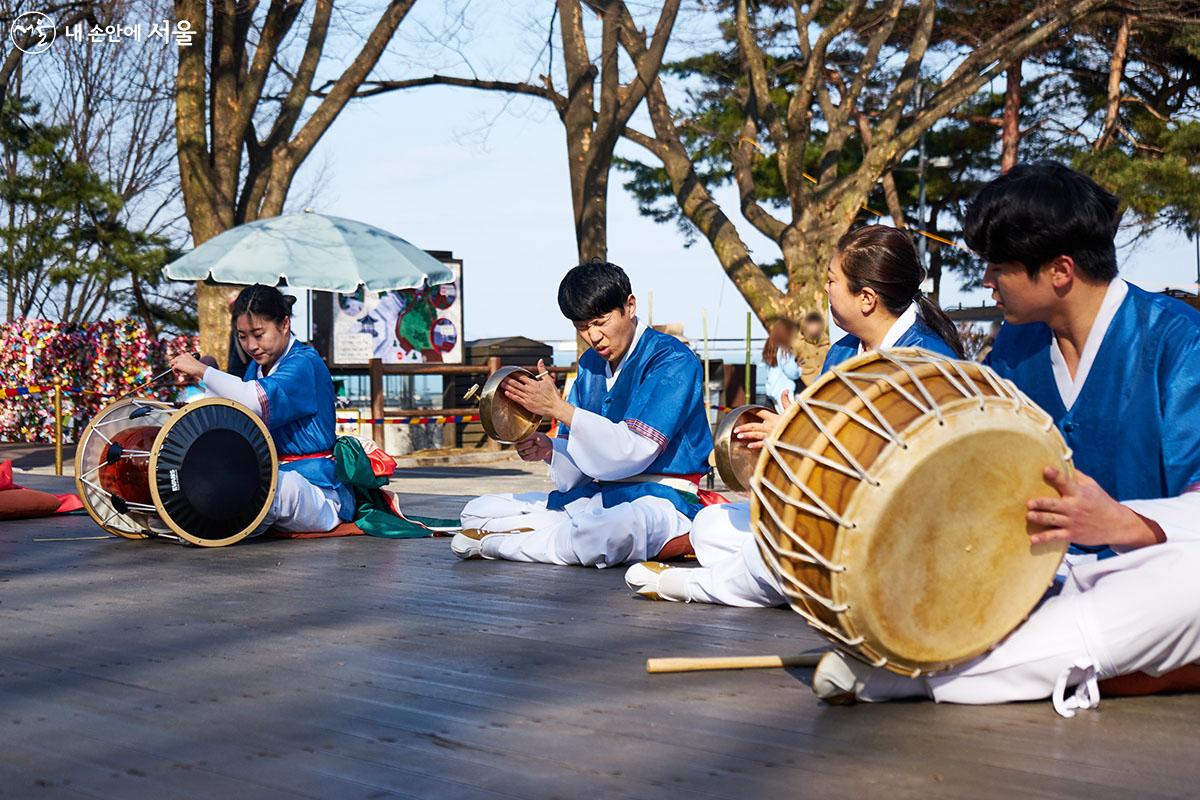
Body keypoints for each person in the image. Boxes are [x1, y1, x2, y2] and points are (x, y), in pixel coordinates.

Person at [806, 162, 1200, 716]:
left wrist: (1124, 525)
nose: (986, 282)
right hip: (1029, 574)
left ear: (1060, 271)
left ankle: (922, 675)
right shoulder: (1014, 346)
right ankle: (1058, 664)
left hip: (1143, 573)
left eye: (998, 267)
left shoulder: (1178, 342)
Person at [625, 224, 964, 605]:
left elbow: (904, 469)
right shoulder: (842, 353)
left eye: (832, 281)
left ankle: (696, 586)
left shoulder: (927, 362)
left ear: (866, 298)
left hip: (893, 527)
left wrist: (796, 436)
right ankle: (787, 580)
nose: (826, 290)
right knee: (710, 526)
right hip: (833, 512)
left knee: (768, 554)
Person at [450, 260, 713, 568]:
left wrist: (558, 409)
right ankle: (547, 537)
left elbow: (634, 450)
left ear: (630, 306)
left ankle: (497, 543)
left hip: (663, 498)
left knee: (606, 531)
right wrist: (550, 450)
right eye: (582, 327)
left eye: (601, 322)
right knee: (479, 509)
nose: (594, 336)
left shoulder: (671, 359)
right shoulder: (590, 364)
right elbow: (581, 464)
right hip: (600, 493)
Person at [170, 284, 354, 534]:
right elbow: (233, 409)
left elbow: (254, 401)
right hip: (271, 475)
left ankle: (207, 525)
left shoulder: (304, 362)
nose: (251, 345)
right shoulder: (256, 369)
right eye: (243, 336)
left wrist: (203, 371)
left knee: (265, 488)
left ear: (284, 324)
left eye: (259, 334)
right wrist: (208, 376)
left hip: (317, 490)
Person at [762, 319, 801, 410]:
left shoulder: (771, 349)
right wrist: (800, 369)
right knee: (789, 419)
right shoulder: (784, 351)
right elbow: (792, 372)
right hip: (785, 391)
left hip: (772, 391)